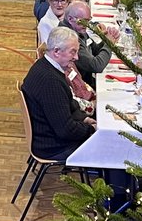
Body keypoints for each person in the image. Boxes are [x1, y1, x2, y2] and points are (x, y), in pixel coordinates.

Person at [21, 27, 96, 159]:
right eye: (72, 52)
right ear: (56, 51)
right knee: (110, 147)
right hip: (53, 146)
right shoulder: (50, 82)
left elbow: (68, 104)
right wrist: (91, 129)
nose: (76, 57)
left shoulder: (44, 65)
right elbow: (66, 130)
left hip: (50, 136)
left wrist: (84, 118)